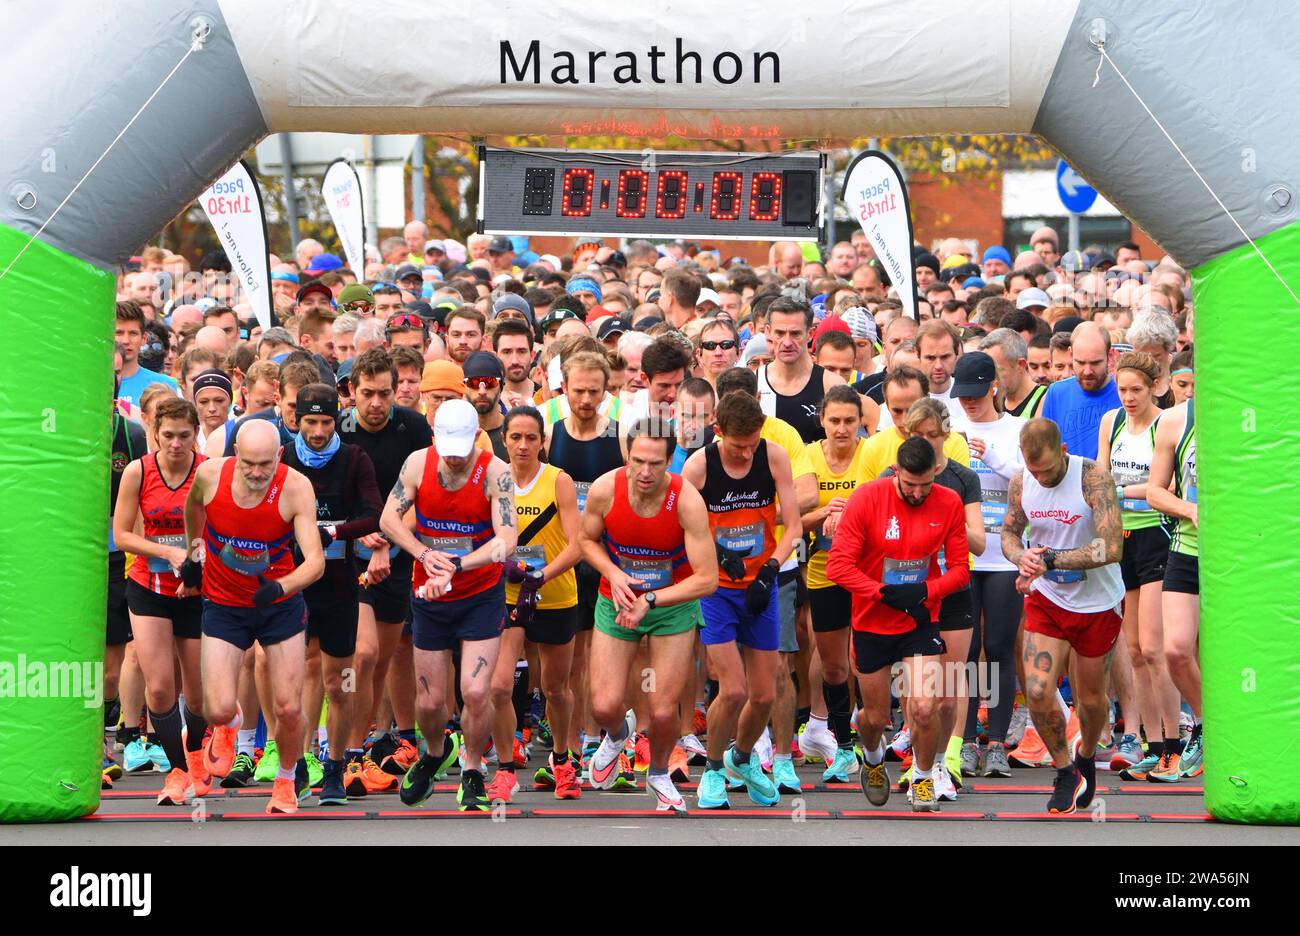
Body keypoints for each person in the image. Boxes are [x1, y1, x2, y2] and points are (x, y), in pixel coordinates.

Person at [183, 419, 325, 815]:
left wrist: (281, 587)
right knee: (216, 708)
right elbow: (193, 506)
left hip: (277, 606)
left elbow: (315, 562)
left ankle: (284, 780)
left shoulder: (295, 487)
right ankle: (228, 724)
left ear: (279, 456)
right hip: (225, 602)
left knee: (287, 707)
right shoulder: (211, 475)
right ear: (235, 457)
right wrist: (195, 554)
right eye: (249, 464)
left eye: (265, 464)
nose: (257, 472)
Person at [381, 399, 516, 811]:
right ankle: (437, 752)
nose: (454, 460)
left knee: (476, 691)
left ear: (477, 438)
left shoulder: (496, 472)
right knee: (429, 701)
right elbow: (388, 519)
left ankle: (473, 768)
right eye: (447, 449)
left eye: (461, 450)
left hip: (478, 593)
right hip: (429, 596)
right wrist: (422, 554)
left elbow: (506, 540)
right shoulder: (418, 464)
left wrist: (459, 565)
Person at [579, 420, 718, 812]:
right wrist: (613, 572)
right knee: (604, 706)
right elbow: (586, 540)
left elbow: (708, 579)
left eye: (656, 464)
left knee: (661, 710)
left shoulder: (686, 500)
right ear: (626, 455)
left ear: (670, 459)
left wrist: (652, 599)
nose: (645, 472)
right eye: (638, 461)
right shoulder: (606, 489)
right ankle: (618, 733)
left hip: (670, 607)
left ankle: (657, 772)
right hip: (617, 600)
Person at [826, 437, 971, 812]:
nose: (918, 493)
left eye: (925, 485)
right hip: (873, 619)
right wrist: (880, 592)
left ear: (936, 472)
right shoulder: (867, 498)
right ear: (896, 472)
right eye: (910, 485)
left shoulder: (949, 502)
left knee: (925, 707)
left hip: (921, 618)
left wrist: (925, 590)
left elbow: (959, 572)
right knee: (874, 718)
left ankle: (923, 779)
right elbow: (838, 566)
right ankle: (872, 759)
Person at [682, 392, 803, 809]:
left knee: (765, 694)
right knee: (732, 690)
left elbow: (794, 528)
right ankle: (713, 771)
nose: (746, 452)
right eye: (738, 445)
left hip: (761, 585)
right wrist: (719, 554)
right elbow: (679, 529)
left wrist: (770, 569)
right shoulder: (699, 466)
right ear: (718, 432)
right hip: (716, 588)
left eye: (752, 443)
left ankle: (743, 758)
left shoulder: (774, 457)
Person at [999, 418, 1124, 814]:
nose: (1043, 478)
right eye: (1035, 470)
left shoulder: (1093, 478)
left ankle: (1086, 753)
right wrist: (1022, 559)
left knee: (1091, 700)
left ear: (1064, 451)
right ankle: (1064, 769)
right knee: (1036, 690)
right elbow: (1009, 534)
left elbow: (1111, 547)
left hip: (1097, 604)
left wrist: (1049, 560)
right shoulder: (1022, 482)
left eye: (1049, 470)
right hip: (1048, 600)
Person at [279, 383, 382, 805]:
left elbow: (374, 515)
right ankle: (298, 763)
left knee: (342, 680)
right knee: (299, 675)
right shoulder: (284, 459)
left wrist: (332, 531)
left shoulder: (354, 458)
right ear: (296, 421)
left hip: (340, 584)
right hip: (298, 584)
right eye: (310, 422)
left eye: (325, 422)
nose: (319, 431)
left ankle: (336, 767)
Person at [338, 348, 434, 796]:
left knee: (379, 665)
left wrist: (391, 544)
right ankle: (345, 757)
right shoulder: (337, 428)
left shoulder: (413, 427)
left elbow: (422, 495)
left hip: (396, 555)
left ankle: (365, 748)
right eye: (368, 394)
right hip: (349, 555)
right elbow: (328, 500)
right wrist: (361, 541)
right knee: (362, 654)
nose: (376, 404)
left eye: (385, 394)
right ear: (352, 391)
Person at [112, 398, 208, 805]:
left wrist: (194, 564)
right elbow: (121, 535)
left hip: (196, 591)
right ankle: (178, 772)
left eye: (184, 436)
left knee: (201, 696)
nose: (175, 444)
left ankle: (198, 751)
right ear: (154, 433)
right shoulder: (138, 471)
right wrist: (167, 552)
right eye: (167, 436)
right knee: (161, 689)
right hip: (149, 586)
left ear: (195, 434)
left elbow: (219, 531)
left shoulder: (208, 470)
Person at [486, 407, 584, 802]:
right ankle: (506, 768)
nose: (523, 445)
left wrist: (542, 575)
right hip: (508, 597)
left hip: (555, 594)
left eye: (531, 438)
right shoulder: (496, 479)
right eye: (515, 437)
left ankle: (562, 761)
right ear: (504, 440)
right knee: (498, 686)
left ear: (542, 441)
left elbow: (579, 544)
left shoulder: (558, 480)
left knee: (555, 688)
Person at [1096, 352, 1181, 781]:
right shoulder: (1110, 421)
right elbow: (1099, 475)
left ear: (1154, 388)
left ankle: (1173, 745)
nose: (1128, 398)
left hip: (1156, 537)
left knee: (1154, 648)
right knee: (1132, 652)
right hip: (1122, 540)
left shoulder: (1164, 424)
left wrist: (1121, 488)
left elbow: (1163, 484)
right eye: (1123, 389)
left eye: (1137, 390)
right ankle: (1149, 744)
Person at [949, 353, 1024, 781]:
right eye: (963, 396)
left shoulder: (1014, 429)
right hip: (963, 555)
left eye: (976, 395)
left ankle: (996, 742)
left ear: (994, 386)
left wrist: (992, 457)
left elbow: (1030, 479)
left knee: (997, 646)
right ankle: (965, 741)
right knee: (965, 650)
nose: (970, 404)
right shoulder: (951, 428)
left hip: (1002, 555)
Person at [798, 385, 873, 783]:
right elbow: (794, 521)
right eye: (835, 421)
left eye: (850, 421)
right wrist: (827, 511)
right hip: (823, 571)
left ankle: (864, 740)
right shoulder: (809, 456)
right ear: (822, 421)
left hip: (865, 573)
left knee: (865, 660)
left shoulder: (871, 454)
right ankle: (842, 744)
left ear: (861, 422)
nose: (842, 429)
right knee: (832, 666)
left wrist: (853, 516)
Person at [1145, 398, 1202, 780]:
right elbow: (1154, 491)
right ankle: (1206, 723)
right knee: (1175, 649)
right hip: (1189, 548)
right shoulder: (1177, 420)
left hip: (1243, 556)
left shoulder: (1254, 414)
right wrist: (1190, 509)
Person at [757, 297, 844, 443]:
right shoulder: (754, 382)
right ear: (768, 332)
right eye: (780, 333)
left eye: (795, 334)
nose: (787, 342)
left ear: (810, 334)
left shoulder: (832, 385)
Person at [861, 366, 971, 480]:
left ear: (927, 400)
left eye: (912, 409)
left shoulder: (955, 444)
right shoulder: (872, 447)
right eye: (897, 411)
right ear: (886, 406)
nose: (905, 420)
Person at [1038, 322, 1119, 459]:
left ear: (1110, 355)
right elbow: (1047, 447)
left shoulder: (1124, 393)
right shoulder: (1056, 392)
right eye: (1080, 363)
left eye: (1095, 363)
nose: (1087, 371)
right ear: (1070, 354)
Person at [980, 328, 1046, 419]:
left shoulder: (1045, 401)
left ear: (1020, 365)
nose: (991, 378)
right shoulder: (992, 403)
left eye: (996, 371)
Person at [463, 351, 507, 459]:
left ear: (501, 387)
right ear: (463, 387)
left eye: (490, 382)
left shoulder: (515, 434)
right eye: (473, 383)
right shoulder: (454, 434)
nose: (482, 391)